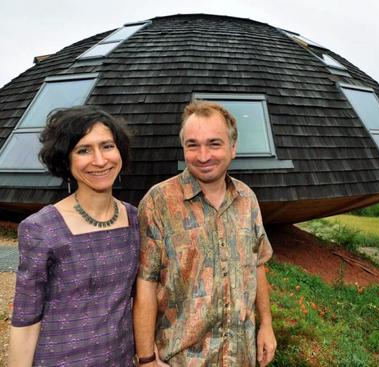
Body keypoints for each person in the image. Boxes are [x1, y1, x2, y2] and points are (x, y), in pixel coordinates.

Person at [133, 100, 277, 366]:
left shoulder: (248, 199)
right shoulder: (158, 202)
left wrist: (266, 324)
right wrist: (146, 359)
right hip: (180, 359)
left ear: (233, 148)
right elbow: (145, 283)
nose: (203, 155)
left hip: (240, 357)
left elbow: (257, 264)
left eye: (214, 143)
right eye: (192, 145)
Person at [8, 106, 139, 366]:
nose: (100, 160)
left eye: (107, 146)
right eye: (83, 150)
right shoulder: (41, 228)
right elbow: (26, 319)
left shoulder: (136, 219)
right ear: (65, 160)